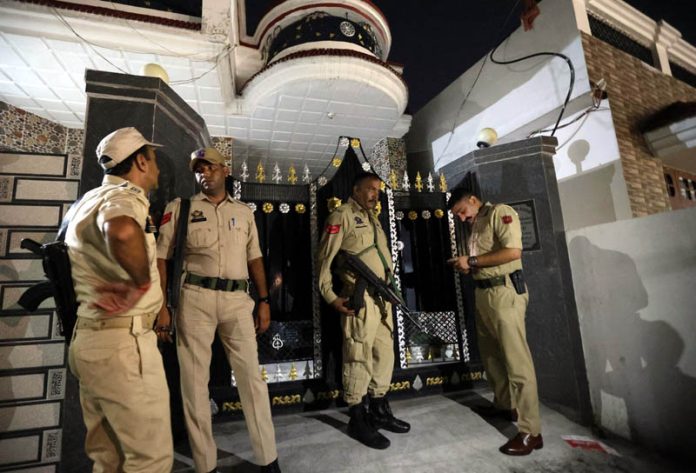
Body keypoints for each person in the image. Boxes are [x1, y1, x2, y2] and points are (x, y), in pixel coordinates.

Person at [155, 147, 281, 473]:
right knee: (195, 384)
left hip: (238, 301)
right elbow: (161, 258)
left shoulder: (244, 212)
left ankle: (268, 460)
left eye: (210, 167)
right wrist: (162, 307)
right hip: (194, 298)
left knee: (252, 379)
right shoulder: (181, 208)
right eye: (199, 169)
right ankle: (205, 465)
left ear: (225, 170)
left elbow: (255, 258)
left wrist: (264, 301)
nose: (204, 174)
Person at [65, 127, 172, 471]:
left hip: (90, 341)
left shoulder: (88, 200)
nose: (156, 167)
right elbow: (122, 230)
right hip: (124, 348)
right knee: (150, 459)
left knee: (108, 458)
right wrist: (139, 281)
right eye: (152, 159)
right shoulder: (124, 198)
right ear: (141, 161)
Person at [317, 172, 410, 450]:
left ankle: (379, 409)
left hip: (382, 298)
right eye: (370, 189)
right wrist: (331, 297)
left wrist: (393, 292)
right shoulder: (341, 216)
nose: (375, 194)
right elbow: (324, 260)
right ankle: (357, 417)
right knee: (358, 356)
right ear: (355, 190)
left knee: (384, 353)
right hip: (358, 299)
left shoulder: (374, 220)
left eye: (378, 190)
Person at [447, 188, 542, 455]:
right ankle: (505, 405)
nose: (462, 219)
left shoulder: (500, 212)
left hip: (505, 293)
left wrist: (472, 260)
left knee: (517, 361)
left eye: (462, 212)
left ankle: (531, 432)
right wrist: (468, 265)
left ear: (473, 201)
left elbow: (513, 252)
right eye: (458, 216)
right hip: (483, 293)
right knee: (491, 356)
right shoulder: (477, 223)